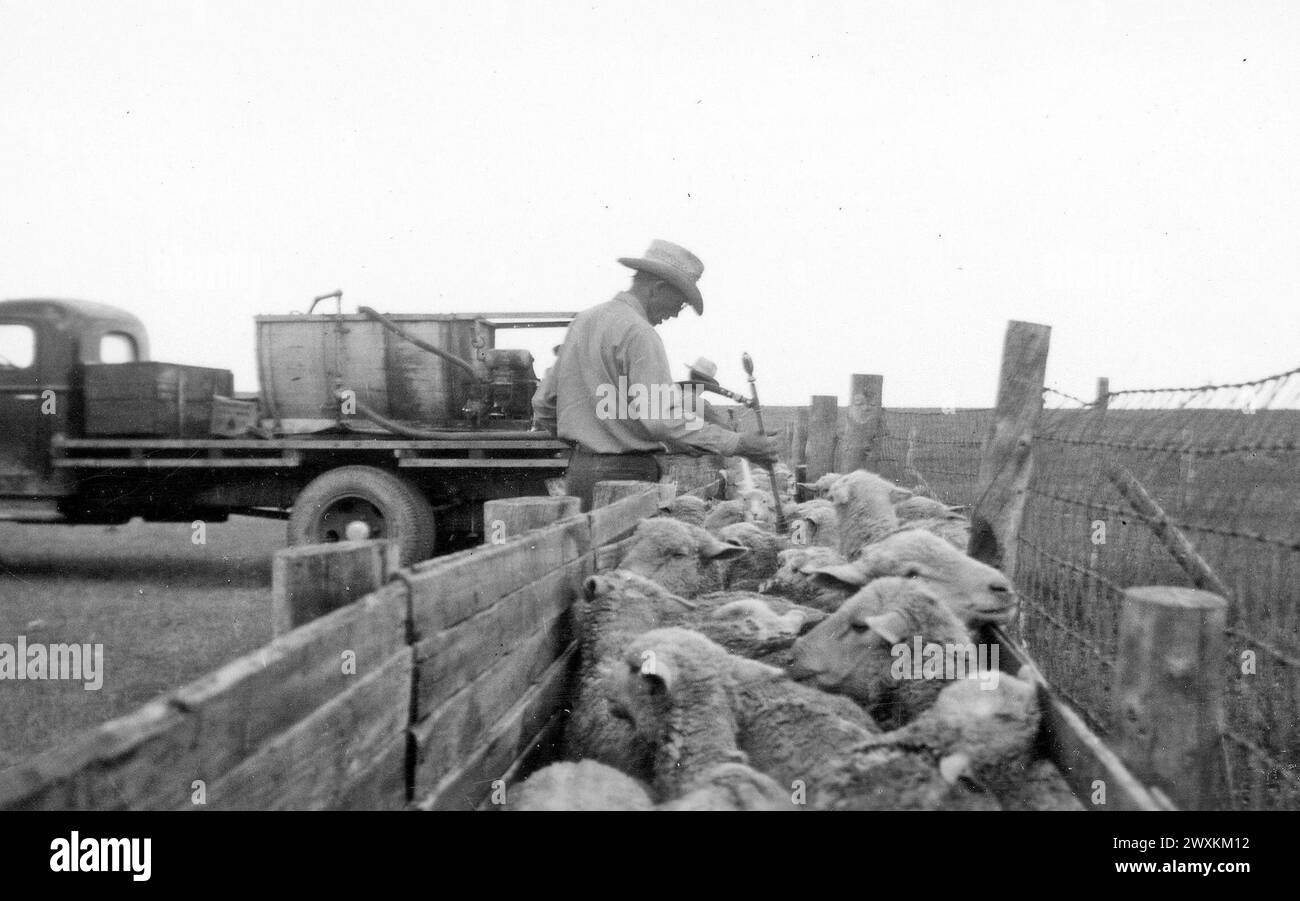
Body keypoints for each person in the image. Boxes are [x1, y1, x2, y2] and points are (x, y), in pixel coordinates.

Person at [533, 239, 778, 510]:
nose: (675, 313)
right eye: (681, 303)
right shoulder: (640, 333)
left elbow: (543, 404)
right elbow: (662, 419)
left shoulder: (583, 322)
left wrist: (586, 438)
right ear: (658, 288)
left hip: (580, 472)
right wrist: (738, 442)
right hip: (626, 477)